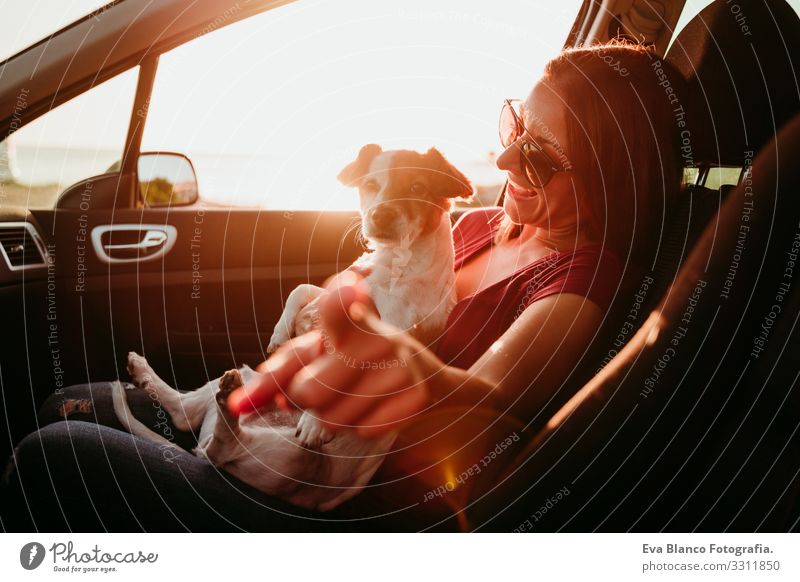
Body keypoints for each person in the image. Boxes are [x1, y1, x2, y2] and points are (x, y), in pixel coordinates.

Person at [1, 42, 686, 532]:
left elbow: (496, 400)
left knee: (48, 458)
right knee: (68, 401)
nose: (506, 157)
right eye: (514, 127)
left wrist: (401, 364)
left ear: (608, 178)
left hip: (341, 497)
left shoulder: (585, 279)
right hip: (285, 428)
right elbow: (358, 286)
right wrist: (331, 309)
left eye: (538, 152)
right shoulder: (477, 223)